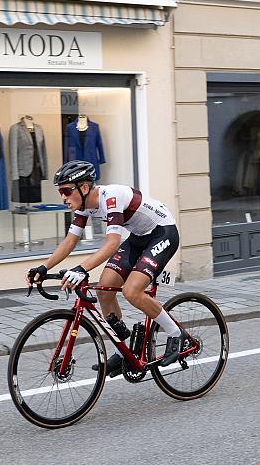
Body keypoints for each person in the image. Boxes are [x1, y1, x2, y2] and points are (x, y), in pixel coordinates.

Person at [26, 160, 184, 376]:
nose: (63, 197)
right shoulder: (83, 207)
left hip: (162, 234)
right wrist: (43, 268)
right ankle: (125, 350)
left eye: (65, 190)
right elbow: (70, 241)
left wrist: (81, 269)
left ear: (83, 188)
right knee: (103, 289)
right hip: (139, 239)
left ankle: (176, 334)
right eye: (60, 192)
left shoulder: (111, 197)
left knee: (131, 291)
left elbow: (111, 243)